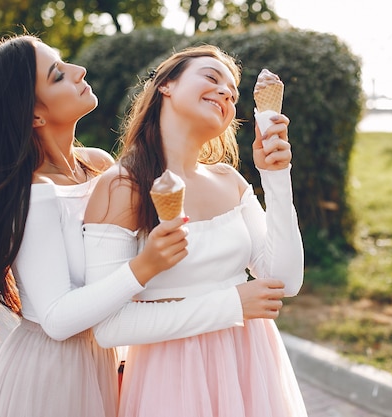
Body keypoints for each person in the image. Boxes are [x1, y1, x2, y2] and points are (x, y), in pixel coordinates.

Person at [0, 35, 288, 417]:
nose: (79, 70)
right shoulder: (35, 193)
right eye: (58, 75)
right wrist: (145, 267)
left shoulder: (98, 165)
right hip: (54, 373)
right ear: (35, 114)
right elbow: (57, 319)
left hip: (107, 362)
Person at [83, 45, 307, 416]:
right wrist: (231, 304)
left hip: (252, 365)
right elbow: (109, 327)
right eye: (211, 77)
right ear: (166, 85)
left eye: (233, 94)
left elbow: (285, 280)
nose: (225, 92)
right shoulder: (123, 186)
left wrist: (276, 177)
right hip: (174, 378)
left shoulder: (229, 180)